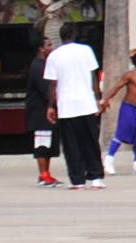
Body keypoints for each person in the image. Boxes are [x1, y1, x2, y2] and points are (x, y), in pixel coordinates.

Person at [44, 36, 105, 186]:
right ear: (74, 35)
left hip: (66, 106)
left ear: (61, 37)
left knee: (71, 145)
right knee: (91, 142)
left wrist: (51, 106)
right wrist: (98, 99)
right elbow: (93, 77)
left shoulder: (54, 55)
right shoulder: (86, 50)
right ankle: (96, 177)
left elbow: (53, 84)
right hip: (86, 104)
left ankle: (77, 180)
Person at [103, 48, 136, 176]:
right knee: (122, 132)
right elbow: (117, 87)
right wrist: (106, 99)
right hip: (128, 107)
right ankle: (109, 159)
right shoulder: (130, 75)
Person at [26, 39, 59, 186]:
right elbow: (46, 90)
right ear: (41, 49)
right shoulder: (38, 66)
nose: (52, 47)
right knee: (42, 144)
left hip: (46, 112)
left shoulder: (44, 64)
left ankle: (46, 174)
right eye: (48, 45)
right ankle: (43, 174)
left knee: (48, 144)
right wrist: (54, 101)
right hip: (39, 112)